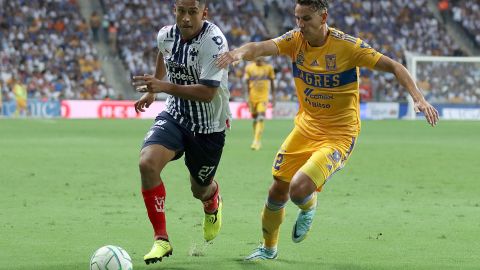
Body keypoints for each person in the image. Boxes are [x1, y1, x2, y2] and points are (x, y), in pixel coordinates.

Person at [216, 0, 439, 260]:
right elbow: (261, 47)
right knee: (277, 189)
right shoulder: (294, 40)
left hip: (339, 135)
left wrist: (419, 98)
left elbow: (394, 67)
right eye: (297, 18)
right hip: (306, 127)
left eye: (306, 19)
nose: (300, 25)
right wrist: (238, 54)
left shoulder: (349, 47)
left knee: (298, 189)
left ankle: (308, 207)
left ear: (324, 17)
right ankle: (268, 249)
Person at [131, 0, 231, 265]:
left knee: (199, 190)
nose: (185, 18)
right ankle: (161, 239)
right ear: (175, 10)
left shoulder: (215, 42)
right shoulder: (166, 34)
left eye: (192, 12)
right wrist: (154, 89)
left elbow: (208, 93)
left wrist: (162, 86)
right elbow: (163, 54)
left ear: (204, 13)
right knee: (147, 163)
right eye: (181, 11)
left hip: (209, 127)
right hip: (175, 116)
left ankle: (211, 201)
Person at [244, 57, 276, 150]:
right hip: (252, 97)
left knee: (260, 117)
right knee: (255, 118)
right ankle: (257, 139)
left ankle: (256, 141)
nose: (258, 60)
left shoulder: (269, 68)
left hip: (263, 97)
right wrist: (246, 96)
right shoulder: (249, 68)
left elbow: (273, 83)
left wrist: (274, 98)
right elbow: (246, 83)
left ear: (263, 57)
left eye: (259, 58)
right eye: (256, 58)